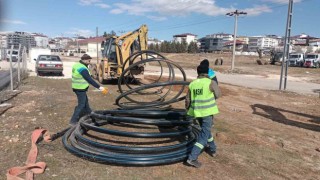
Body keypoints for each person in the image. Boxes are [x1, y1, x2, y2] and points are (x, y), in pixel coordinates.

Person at [185, 63, 221, 168]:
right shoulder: (211, 82)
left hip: (197, 113)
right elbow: (218, 94)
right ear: (206, 72)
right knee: (203, 136)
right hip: (207, 113)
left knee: (206, 131)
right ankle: (192, 158)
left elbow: (188, 100)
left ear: (198, 73)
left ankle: (213, 149)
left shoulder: (193, 84)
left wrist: (188, 111)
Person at [69, 54, 108, 126]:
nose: (90, 62)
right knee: (81, 105)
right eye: (89, 60)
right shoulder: (83, 69)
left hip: (77, 87)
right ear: (85, 60)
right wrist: (100, 87)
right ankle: (73, 121)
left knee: (86, 103)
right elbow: (89, 80)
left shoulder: (77, 65)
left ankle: (90, 114)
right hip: (80, 88)